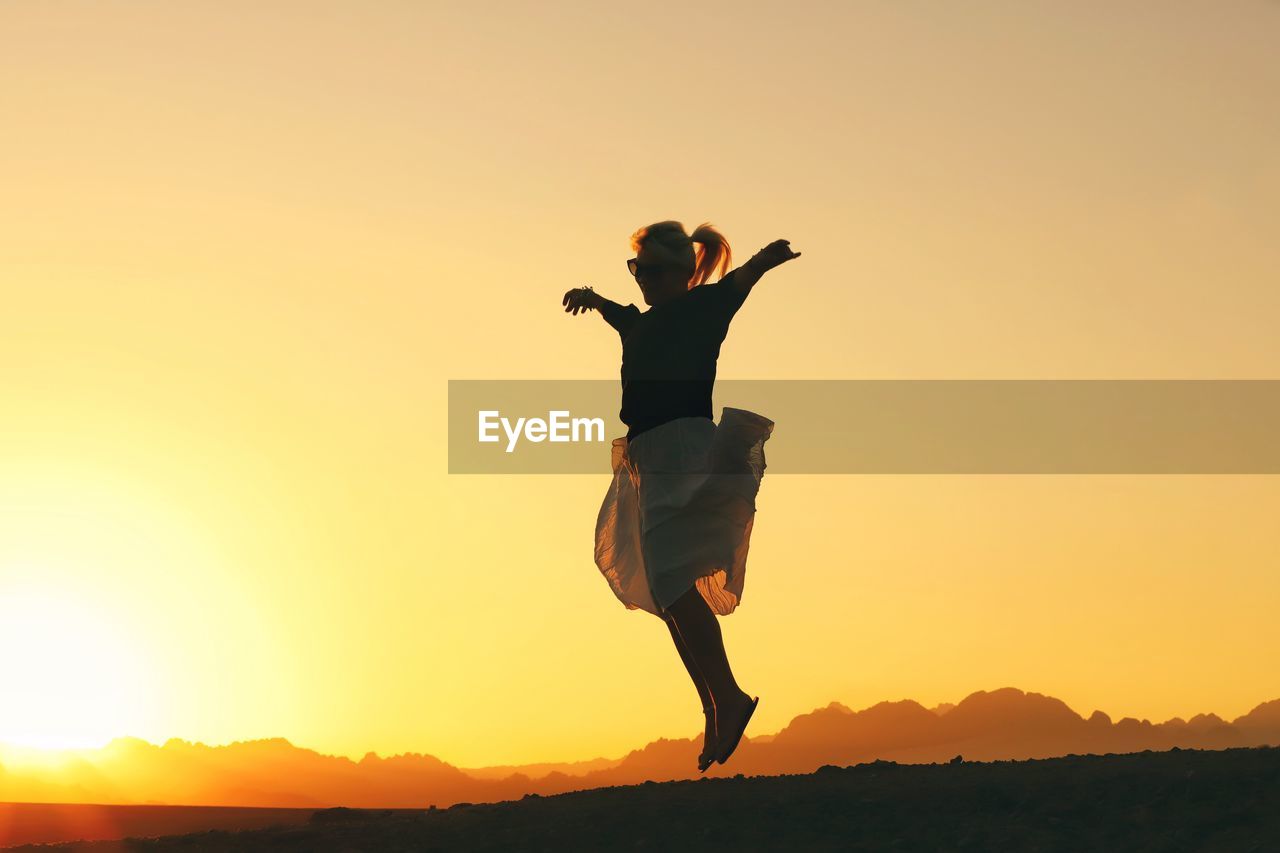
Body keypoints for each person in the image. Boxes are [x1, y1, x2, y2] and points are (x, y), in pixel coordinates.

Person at [561, 220, 801, 772]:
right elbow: (619, 314)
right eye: (634, 270)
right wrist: (591, 297)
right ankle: (715, 706)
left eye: (646, 271)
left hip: (681, 450)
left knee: (671, 583)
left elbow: (740, 283)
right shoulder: (638, 325)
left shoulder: (703, 310)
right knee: (668, 593)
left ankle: (730, 698)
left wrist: (766, 258)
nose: (639, 281)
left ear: (677, 273)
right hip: (645, 460)